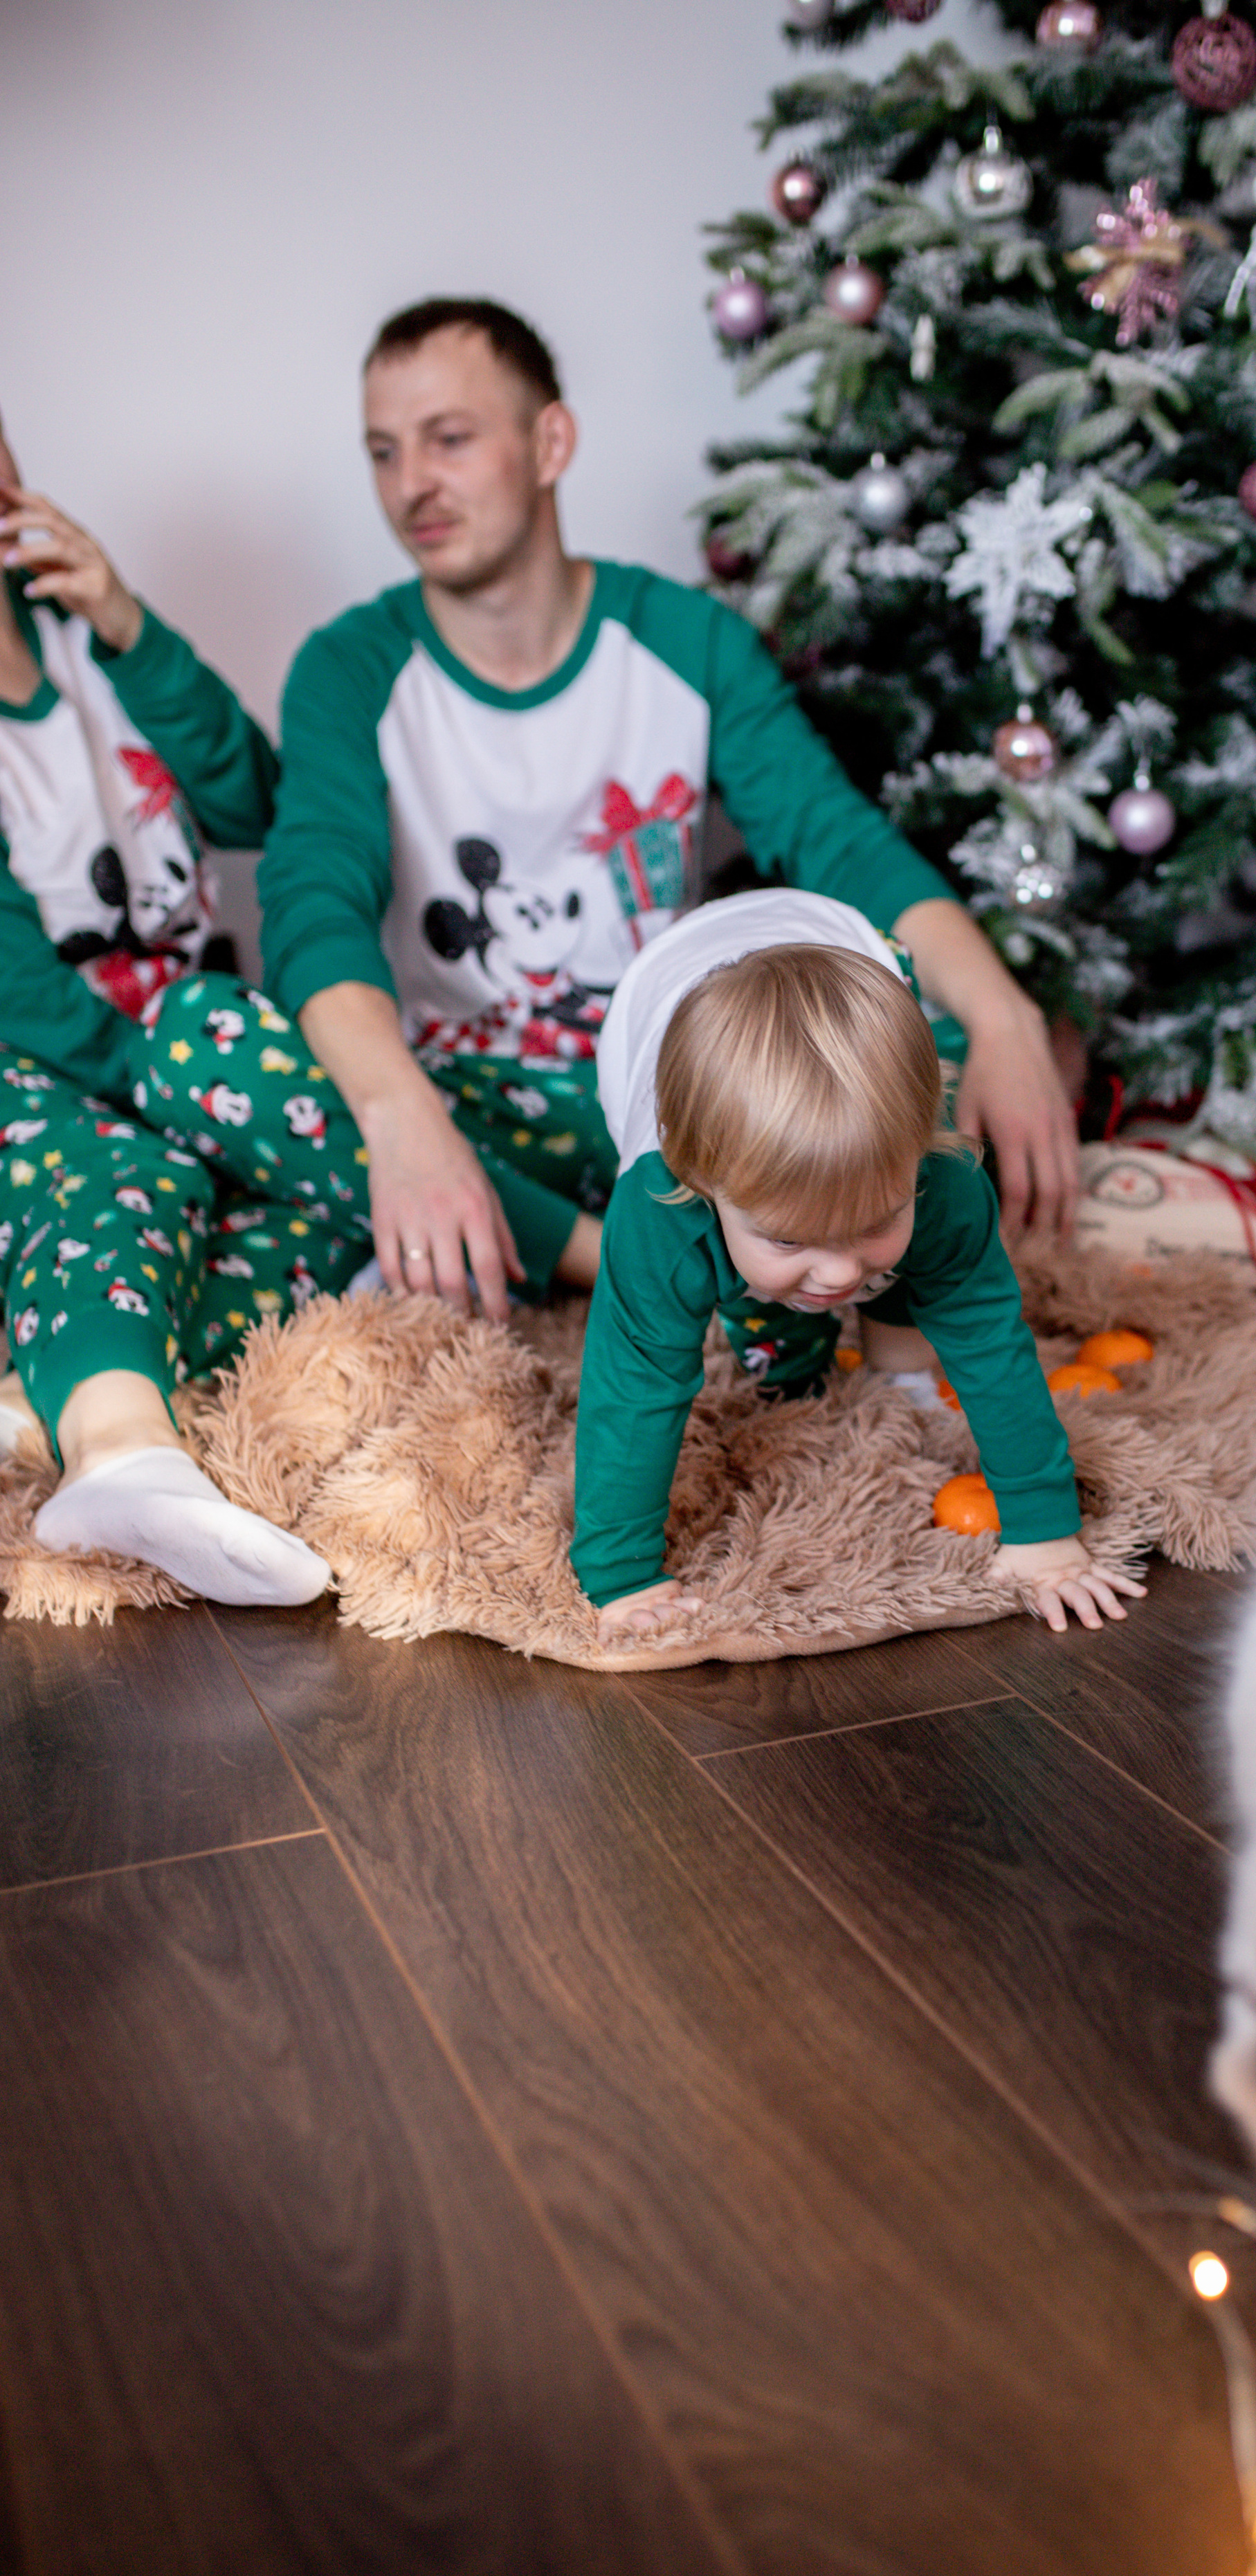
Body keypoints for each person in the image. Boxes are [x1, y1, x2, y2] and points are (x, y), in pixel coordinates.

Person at [248, 297, 1079, 1328]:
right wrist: (401, 1117)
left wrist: (1005, 1017)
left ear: (550, 441)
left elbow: (836, 840)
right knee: (211, 1039)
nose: (412, 483)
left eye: (449, 439)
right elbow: (311, 905)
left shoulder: (685, 641)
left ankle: (591, 1245)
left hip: (673, 1094)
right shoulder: (350, 667)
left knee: (925, 1029)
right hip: (468, 1104)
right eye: (383, 452)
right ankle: (640, 1262)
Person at [574, 889, 1143, 1637]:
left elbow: (987, 1336)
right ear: (704, 1186)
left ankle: (886, 1345)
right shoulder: (658, 1207)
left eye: (874, 1219)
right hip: (658, 988)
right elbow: (633, 1386)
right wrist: (620, 1577)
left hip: (848, 942)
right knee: (774, 1345)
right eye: (789, 1238)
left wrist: (1043, 1531)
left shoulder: (941, 1176)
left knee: (922, 1260)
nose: (841, 1276)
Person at [0, 410, 344, 1602]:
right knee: (119, 1177)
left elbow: (254, 800)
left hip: (188, 1053)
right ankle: (124, 1454)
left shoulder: (92, 654)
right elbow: (26, 997)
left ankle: (64, 1375)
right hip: (54, 1080)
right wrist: (164, 1105)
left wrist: (127, 623)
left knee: (342, 1214)